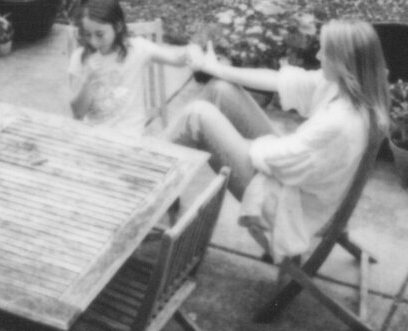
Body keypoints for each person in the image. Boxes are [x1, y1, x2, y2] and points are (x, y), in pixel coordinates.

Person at [166, 19, 389, 262]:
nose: (317, 54)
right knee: (221, 88)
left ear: (342, 61)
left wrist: (239, 143)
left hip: (291, 203)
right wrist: (213, 67)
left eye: (324, 51)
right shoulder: (346, 88)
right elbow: (278, 80)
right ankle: (163, 173)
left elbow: (281, 162)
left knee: (196, 115)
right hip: (296, 176)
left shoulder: (341, 122)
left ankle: (152, 177)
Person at [68, 0, 190, 136]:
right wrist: (87, 81)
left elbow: (177, 59)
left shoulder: (137, 49)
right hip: (95, 137)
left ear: (118, 27)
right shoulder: (80, 58)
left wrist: (192, 53)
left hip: (130, 136)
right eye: (87, 34)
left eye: (100, 34)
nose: (94, 42)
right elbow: (77, 113)